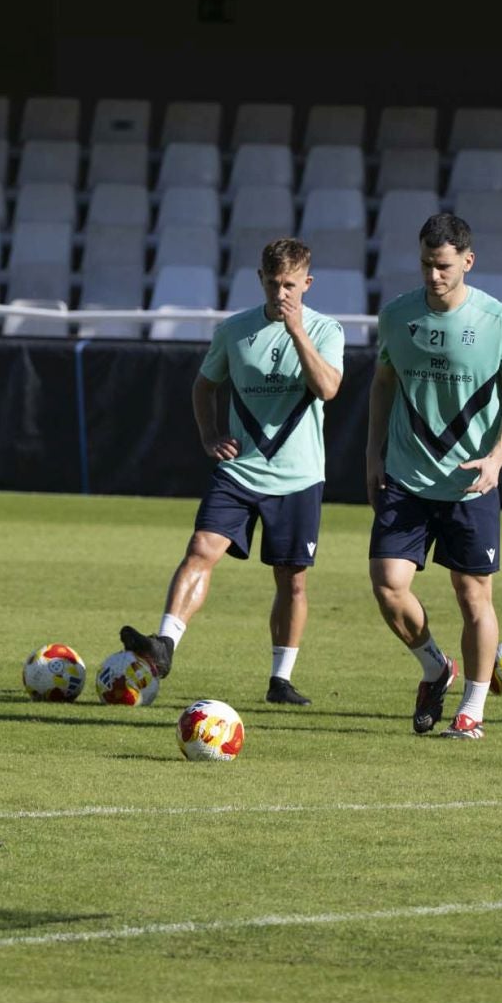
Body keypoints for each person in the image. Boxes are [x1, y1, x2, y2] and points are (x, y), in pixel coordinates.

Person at [121, 237, 345, 705]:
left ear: (307, 283)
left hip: (299, 476)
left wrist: (297, 332)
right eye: (272, 283)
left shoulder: (327, 330)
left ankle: (280, 680)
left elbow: (327, 389)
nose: (280, 293)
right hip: (241, 470)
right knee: (201, 549)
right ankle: (164, 645)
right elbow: (204, 387)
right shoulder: (233, 330)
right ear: (259, 280)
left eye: (290, 284)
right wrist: (208, 435)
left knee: (292, 579)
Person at [366, 212, 502, 740]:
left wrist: (498, 458)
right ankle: (436, 667)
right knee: (389, 587)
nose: (433, 276)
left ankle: (473, 710)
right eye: (425, 265)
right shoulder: (396, 317)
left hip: (470, 482)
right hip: (407, 475)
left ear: (467, 260)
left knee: (472, 595)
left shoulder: (500, 321)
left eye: (443, 266)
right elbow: (382, 386)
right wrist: (373, 455)